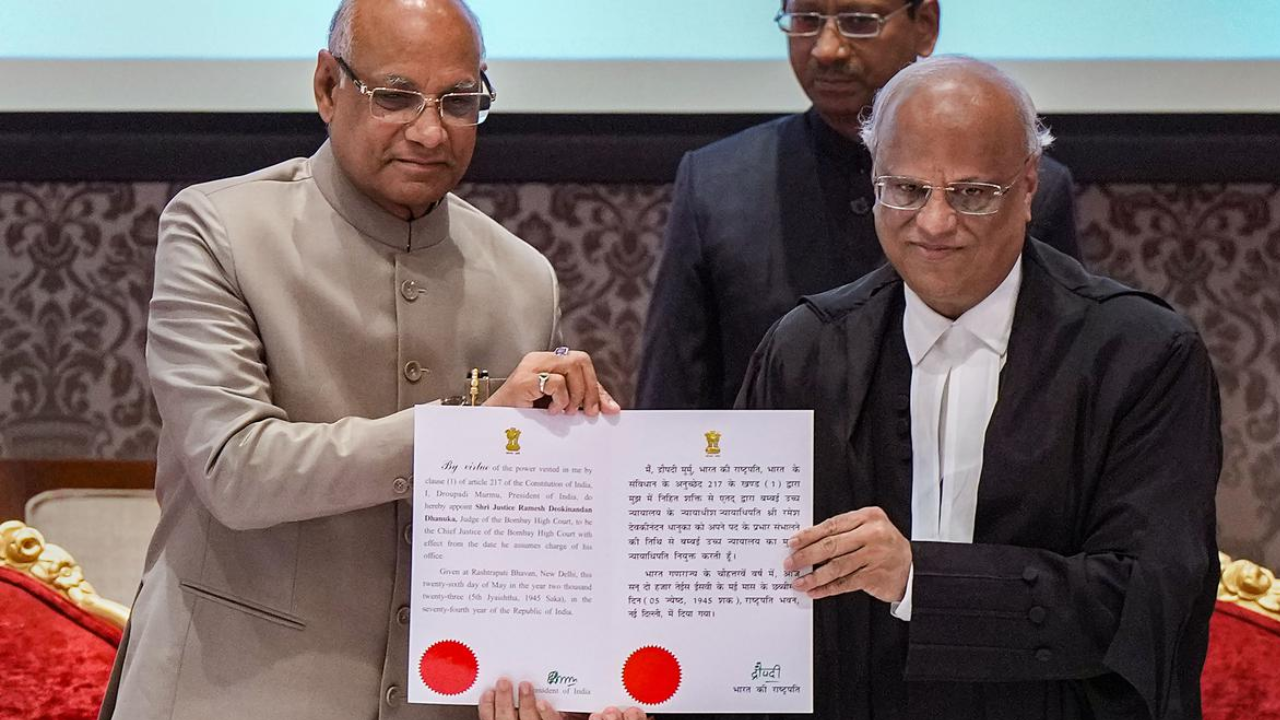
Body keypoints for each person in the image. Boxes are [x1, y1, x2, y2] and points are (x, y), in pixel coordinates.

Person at [98, 1, 619, 719]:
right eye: (395, 96)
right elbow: (237, 471)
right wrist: (462, 432)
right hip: (230, 691)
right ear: (326, 87)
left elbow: (517, 530)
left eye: (460, 102)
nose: (430, 131)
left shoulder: (523, 277)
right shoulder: (219, 229)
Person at [734, 56, 1221, 719]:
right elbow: (741, 582)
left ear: (1027, 188)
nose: (933, 223)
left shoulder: (1141, 355)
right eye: (905, 189)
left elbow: (1151, 602)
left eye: (969, 194)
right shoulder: (804, 348)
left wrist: (918, 581)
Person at [636, 0, 1081, 410]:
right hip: (779, 485)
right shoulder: (716, 184)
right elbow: (671, 398)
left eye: (858, 23)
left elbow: (1062, 376)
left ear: (924, 24)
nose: (827, 50)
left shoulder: (1021, 192)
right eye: (807, 20)